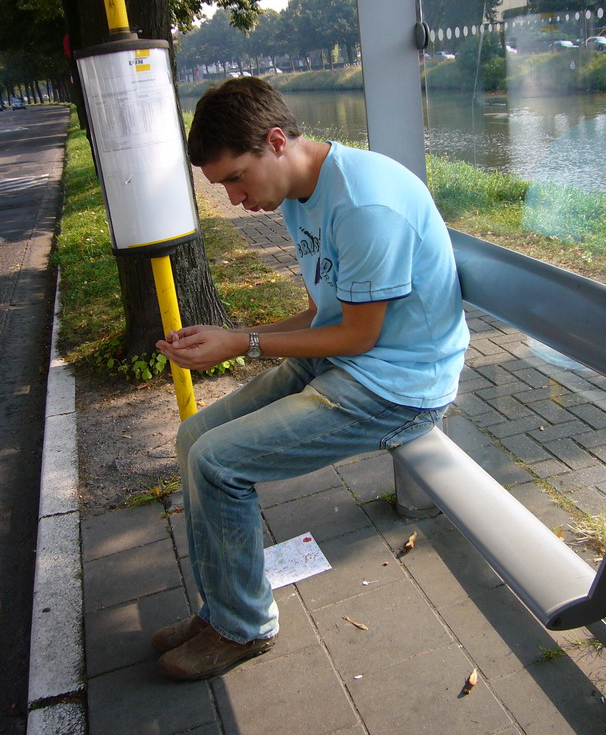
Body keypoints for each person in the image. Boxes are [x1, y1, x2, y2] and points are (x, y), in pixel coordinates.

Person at [153, 77, 469, 681]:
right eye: (222, 187)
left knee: (220, 462)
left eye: (235, 179)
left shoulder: (364, 204)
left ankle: (243, 629)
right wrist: (232, 338)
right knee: (195, 439)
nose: (234, 200)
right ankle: (226, 606)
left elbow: (358, 336)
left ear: (276, 142)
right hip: (351, 361)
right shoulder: (300, 194)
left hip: (397, 386)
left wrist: (241, 343)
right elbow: (325, 314)